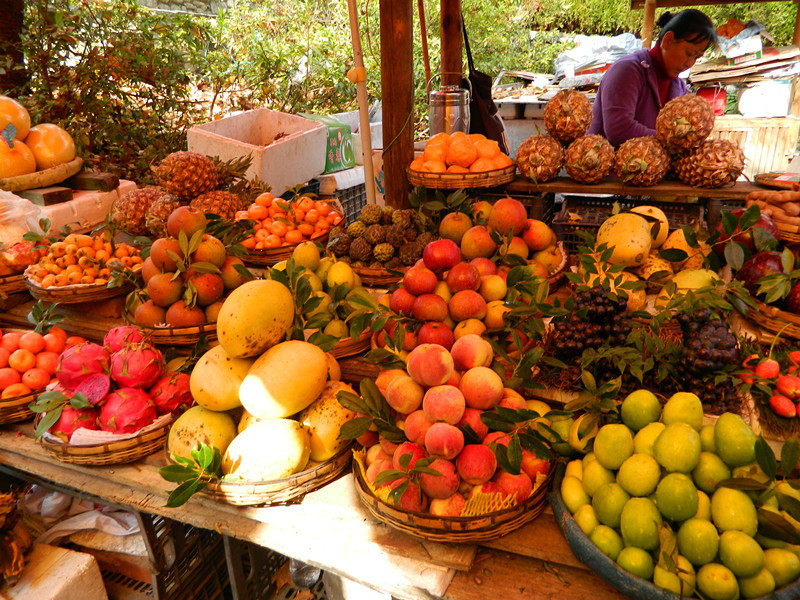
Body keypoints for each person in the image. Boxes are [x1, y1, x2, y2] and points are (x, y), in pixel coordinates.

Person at [587, 9, 716, 146]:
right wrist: (675, 141)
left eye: (696, 58)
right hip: (604, 163)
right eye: (689, 53)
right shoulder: (627, 71)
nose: (690, 63)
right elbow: (619, 130)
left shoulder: (678, 87)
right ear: (668, 40)